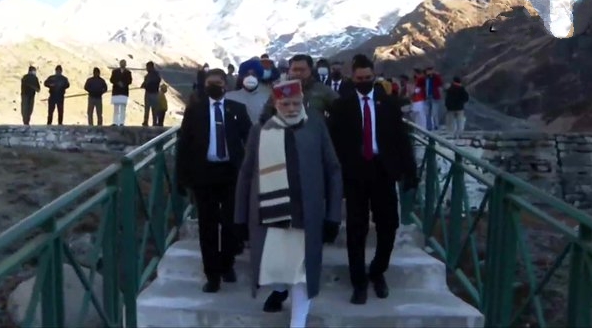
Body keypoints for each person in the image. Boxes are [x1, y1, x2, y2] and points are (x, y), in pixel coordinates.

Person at [235, 79, 343, 328]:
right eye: (286, 104)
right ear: (276, 103)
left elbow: (333, 170)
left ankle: (298, 322)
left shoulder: (315, 127)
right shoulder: (260, 131)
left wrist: (333, 215)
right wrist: (240, 218)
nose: (292, 108)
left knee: (301, 273)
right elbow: (246, 174)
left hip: (307, 214)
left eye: (296, 103)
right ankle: (281, 290)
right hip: (271, 214)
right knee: (279, 267)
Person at [328, 54, 418, 305]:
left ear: (374, 76)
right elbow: (333, 143)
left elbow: (402, 140)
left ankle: (378, 271)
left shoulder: (388, 104)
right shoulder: (342, 106)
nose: (364, 81)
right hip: (355, 174)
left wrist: (410, 172)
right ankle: (358, 281)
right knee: (356, 229)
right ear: (352, 78)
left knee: (388, 225)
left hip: (383, 172)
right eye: (360, 78)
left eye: (369, 78)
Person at [175, 68, 252, 293]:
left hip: (231, 175)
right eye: (210, 83)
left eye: (218, 82)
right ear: (204, 85)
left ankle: (227, 265)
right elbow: (184, 145)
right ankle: (212, 275)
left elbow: (250, 139)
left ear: (225, 85)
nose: (214, 86)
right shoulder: (195, 111)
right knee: (207, 227)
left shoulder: (237, 109)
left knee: (231, 225)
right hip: (204, 174)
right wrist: (182, 178)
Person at [259, 54, 338, 124]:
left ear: (310, 70)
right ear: (289, 71)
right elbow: (266, 116)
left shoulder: (322, 90)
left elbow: (341, 111)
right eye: (295, 70)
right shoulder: (280, 90)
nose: (298, 73)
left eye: (302, 70)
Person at [225, 59, 271, 124]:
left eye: (253, 74)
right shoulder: (230, 97)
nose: (250, 77)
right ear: (242, 76)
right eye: (247, 74)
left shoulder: (267, 95)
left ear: (258, 76)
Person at [110, 59, 133, 126]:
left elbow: (130, 81)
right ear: (120, 64)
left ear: (125, 64)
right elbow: (111, 79)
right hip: (116, 91)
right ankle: (115, 122)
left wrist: (124, 84)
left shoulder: (128, 72)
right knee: (116, 108)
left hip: (124, 91)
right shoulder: (115, 71)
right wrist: (117, 83)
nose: (123, 64)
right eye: (122, 63)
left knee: (123, 108)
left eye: (124, 63)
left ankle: (121, 122)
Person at [141, 61, 162, 126]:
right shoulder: (147, 76)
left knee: (154, 109)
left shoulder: (156, 74)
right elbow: (145, 83)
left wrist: (147, 83)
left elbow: (156, 81)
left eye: (147, 67)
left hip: (154, 93)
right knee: (147, 108)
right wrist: (143, 85)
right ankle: (146, 121)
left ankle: (154, 122)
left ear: (151, 67)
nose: (146, 68)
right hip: (148, 93)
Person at [424, 66, 444, 131]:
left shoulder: (436, 77)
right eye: (427, 71)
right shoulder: (426, 78)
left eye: (429, 70)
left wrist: (440, 95)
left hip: (435, 97)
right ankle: (429, 126)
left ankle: (436, 125)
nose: (428, 72)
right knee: (428, 113)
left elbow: (440, 86)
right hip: (428, 96)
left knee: (434, 113)